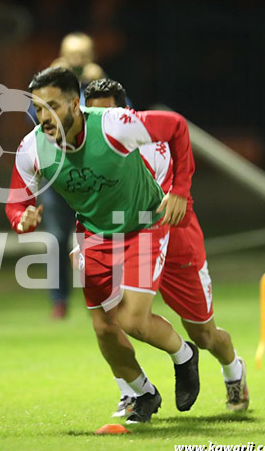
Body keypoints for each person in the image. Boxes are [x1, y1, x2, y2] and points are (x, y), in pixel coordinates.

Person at [6, 66, 200, 423]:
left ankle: (184, 355)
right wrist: (21, 218)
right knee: (104, 329)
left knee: (133, 320)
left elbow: (176, 127)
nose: (43, 117)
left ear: (75, 105)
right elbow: (15, 201)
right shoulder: (32, 147)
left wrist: (180, 191)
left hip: (143, 223)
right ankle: (143, 393)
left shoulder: (114, 124)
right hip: (95, 233)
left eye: (52, 106)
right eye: (37, 108)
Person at [82, 78, 249, 415]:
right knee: (110, 321)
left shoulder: (148, 146)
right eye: (93, 115)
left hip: (170, 238)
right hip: (128, 238)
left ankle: (233, 370)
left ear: (126, 112)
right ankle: (134, 391)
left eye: (109, 114)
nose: (102, 124)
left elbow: (144, 207)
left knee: (204, 333)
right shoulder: (85, 145)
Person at [37, 33, 106, 319]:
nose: (77, 61)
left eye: (82, 55)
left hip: (95, 180)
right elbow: (38, 117)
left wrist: (95, 84)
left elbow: (123, 115)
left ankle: (105, 298)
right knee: (56, 239)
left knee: (102, 238)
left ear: (92, 57)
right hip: (58, 181)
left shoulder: (101, 86)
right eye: (71, 55)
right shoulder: (48, 87)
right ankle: (59, 301)